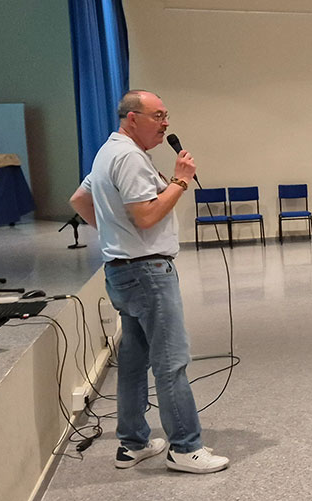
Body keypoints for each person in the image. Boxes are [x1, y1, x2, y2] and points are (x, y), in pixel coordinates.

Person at [68, 90, 229, 474]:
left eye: (166, 115)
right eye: (158, 115)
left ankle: (133, 443)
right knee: (171, 362)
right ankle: (185, 448)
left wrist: (114, 235)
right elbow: (145, 216)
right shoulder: (129, 157)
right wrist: (180, 180)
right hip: (147, 273)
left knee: (135, 360)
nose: (165, 123)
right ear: (132, 118)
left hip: (123, 271)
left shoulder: (109, 152)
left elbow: (78, 199)